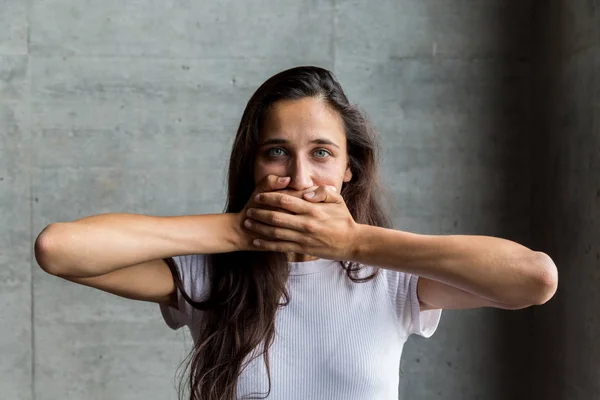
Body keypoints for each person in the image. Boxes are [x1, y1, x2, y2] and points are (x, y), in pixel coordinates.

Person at [34, 66, 558, 400]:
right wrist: (239, 231)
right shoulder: (209, 275)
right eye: (278, 151)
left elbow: (535, 278)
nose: (301, 179)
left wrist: (354, 242)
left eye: (322, 153)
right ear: (253, 164)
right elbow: (59, 250)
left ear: (351, 169)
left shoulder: (389, 276)